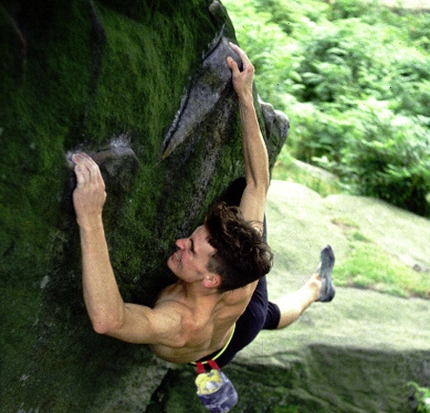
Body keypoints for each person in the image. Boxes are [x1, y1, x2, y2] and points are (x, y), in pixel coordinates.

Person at [72, 43, 335, 385]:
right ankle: (318, 286)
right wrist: (244, 95)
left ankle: (315, 288)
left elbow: (109, 319)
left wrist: (90, 218)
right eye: (191, 238)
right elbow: (257, 182)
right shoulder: (239, 260)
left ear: (211, 279)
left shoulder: (178, 324)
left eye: (191, 249)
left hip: (222, 343)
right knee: (263, 300)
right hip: (237, 299)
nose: (179, 242)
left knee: (264, 315)